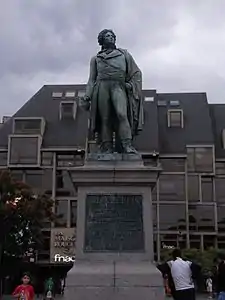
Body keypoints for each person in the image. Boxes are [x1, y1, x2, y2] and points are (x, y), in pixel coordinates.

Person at [81, 29, 143, 154]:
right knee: (105, 118)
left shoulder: (124, 55)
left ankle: (127, 144)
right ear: (102, 40)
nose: (110, 38)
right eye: (107, 36)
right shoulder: (96, 59)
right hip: (102, 86)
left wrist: (130, 85)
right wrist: (87, 95)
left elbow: (136, 73)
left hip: (118, 86)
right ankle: (107, 146)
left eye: (112, 36)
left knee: (122, 114)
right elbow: (91, 79)